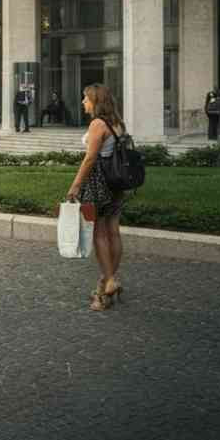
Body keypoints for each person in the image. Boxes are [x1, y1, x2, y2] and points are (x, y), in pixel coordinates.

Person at [64, 83, 132, 312]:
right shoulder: (117, 123)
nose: (83, 103)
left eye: (86, 99)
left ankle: (108, 280)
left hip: (98, 182)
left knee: (98, 232)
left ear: (96, 101)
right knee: (113, 230)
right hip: (116, 184)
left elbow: (90, 158)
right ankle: (109, 280)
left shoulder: (97, 124)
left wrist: (75, 186)